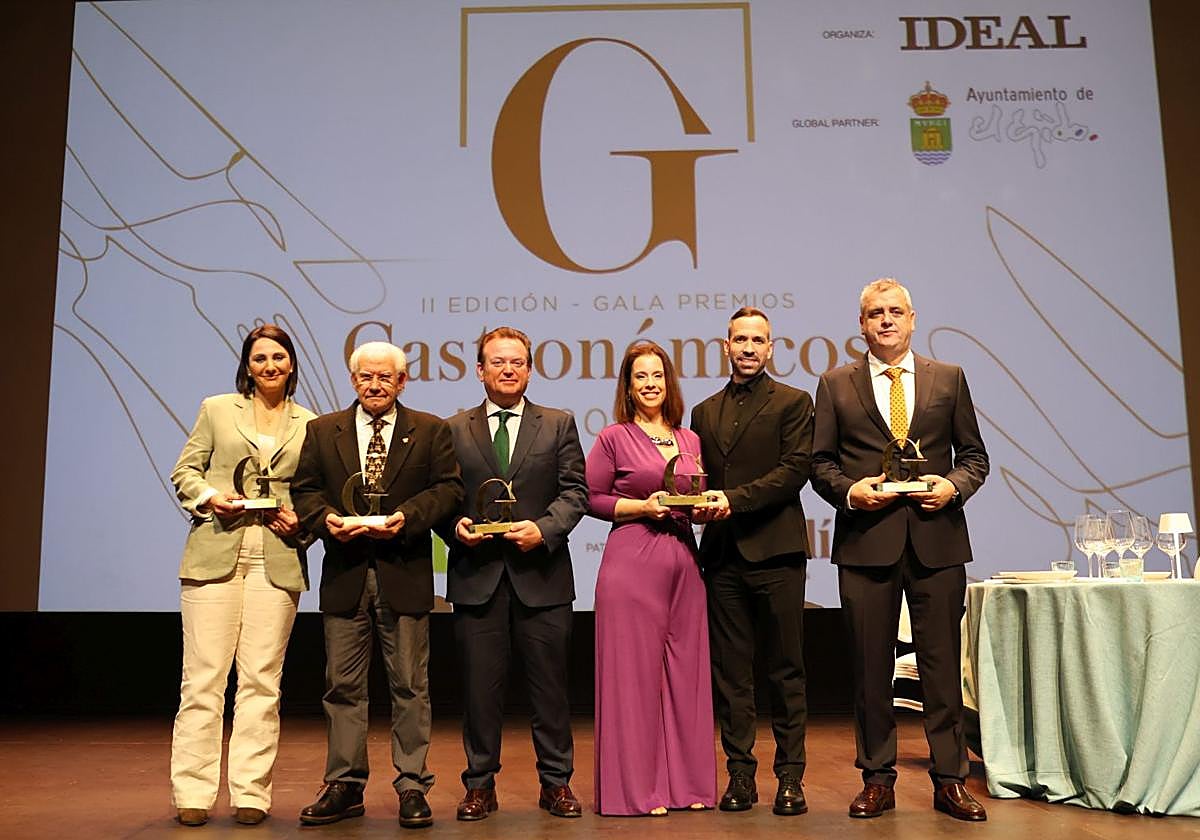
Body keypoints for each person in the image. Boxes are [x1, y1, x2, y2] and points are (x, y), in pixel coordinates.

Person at [810, 278, 990, 822]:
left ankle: (951, 780)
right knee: (869, 669)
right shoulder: (836, 384)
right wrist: (850, 492)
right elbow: (820, 464)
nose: (885, 321)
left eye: (895, 312)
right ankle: (877, 778)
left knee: (941, 668)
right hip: (867, 543)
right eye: (874, 314)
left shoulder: (949, 379)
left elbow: (975, 457)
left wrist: (952, 486)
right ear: (860, 325)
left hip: (938, 542)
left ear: (913, 319)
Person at [290, 340, 463, 829]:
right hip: (345, 571)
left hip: (403, 570)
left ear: (402, 381)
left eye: (385, 377)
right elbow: (304, 491)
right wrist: (327, 520)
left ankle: (412, 784)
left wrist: (407, 517)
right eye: (366, 376)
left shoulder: (429, 430)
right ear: (353, 381)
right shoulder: (323, 431)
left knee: (410, 685)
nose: (375, 385)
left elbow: (448, 489)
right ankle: (344, 784)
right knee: (342, 686)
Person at [169, 323, 316, 827]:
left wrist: (303, 520)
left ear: (291, 364)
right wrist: (212, 498)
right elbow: (185, 471)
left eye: (278, 357)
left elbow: (313, 494)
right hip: (216, 553)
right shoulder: (216, 409)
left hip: (275, 558)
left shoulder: (310, 423)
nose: (269, 366)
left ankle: (251, 792)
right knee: (204, 679)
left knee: (261, 682)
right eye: (259, 359)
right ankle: (192, 790)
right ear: (246, 366)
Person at [441, 327, 589, 821]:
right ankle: (479, 785)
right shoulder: (454, 428)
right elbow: (441, 497)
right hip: (476, 576)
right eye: (498, 362)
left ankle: (557, 783)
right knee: (480, 692)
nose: (508, 369)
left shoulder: (559, 423)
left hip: (541, 576)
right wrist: (452, 525)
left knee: (551, 690)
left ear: (529, 368)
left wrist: (544, 529)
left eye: (517, 362)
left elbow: (575, 492)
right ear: (479, 370)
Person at [690, 307, 813, 816]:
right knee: (731, 674)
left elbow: (793, 472)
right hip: (722, 557)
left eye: (756, 340)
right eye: (739, 338)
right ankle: (740, 775)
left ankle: (790, 778)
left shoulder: (793, 402)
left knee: (786, 670)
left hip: (777, 552)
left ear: (770, 348)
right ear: (725, 346)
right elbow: (694, 479)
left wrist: (731, 500)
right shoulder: (702, 411)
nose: (747, 347)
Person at [586, 341, 718, 816]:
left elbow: (695, 494)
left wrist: (707, 507)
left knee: (687, 677)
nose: (649, 384)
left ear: (669, 382)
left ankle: (689, 787)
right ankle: (636, 792)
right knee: (634, 682)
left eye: (657, 375)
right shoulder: (612, 437)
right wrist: (641, 506)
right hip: (632, 560)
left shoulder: (689, 440)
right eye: (640, 376)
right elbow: (593, 498)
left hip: (685, 561)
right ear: (628, 384)